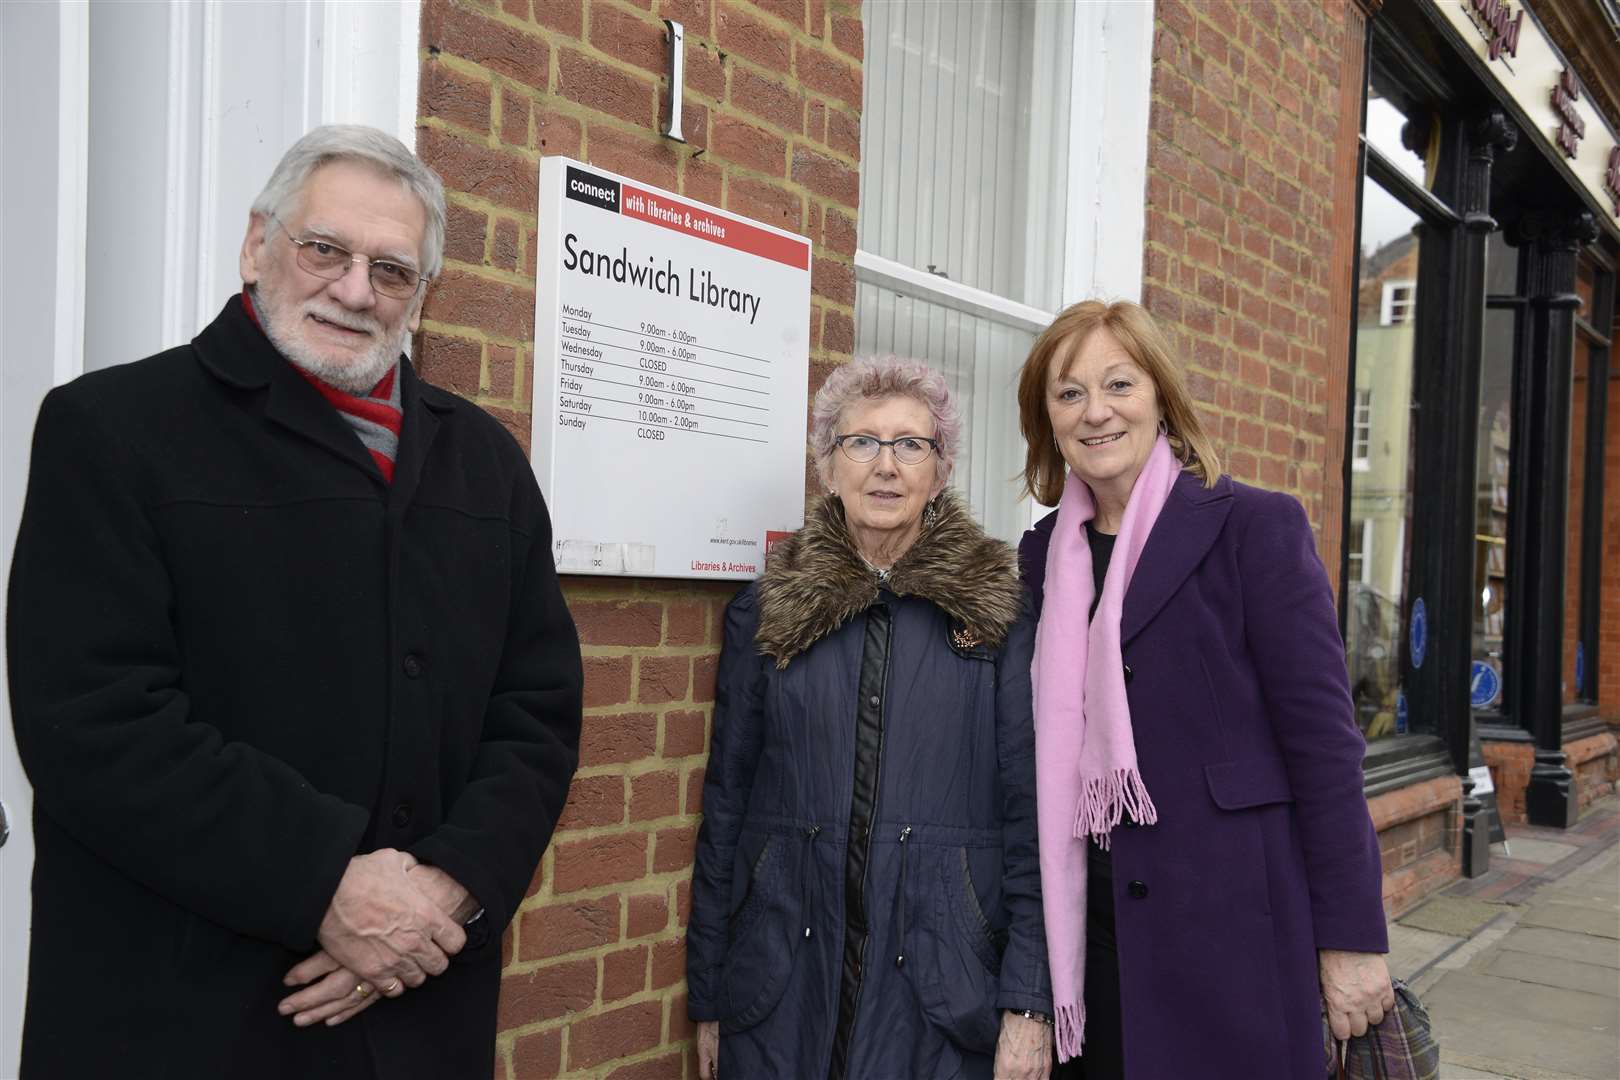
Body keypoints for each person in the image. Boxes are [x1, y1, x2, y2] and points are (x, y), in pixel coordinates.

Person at [8, 125, 583, 1080]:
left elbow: (538, 711)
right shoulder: (112, 430)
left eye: (392, 270)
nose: (355, 290)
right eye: (326, 250)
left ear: (422, 295)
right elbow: (93, 720)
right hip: (183, 1017)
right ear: (256, 244)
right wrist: (326, 884)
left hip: (420, 1015)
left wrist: (439, 899)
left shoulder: (486, 463)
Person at [1014, 301, 1393, 1079]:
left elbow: (1324, 747)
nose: (1097, 412)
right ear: (1047, 419)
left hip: (1237, 936)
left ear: (1161, 397)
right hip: (1095, 939)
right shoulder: (1042, 556)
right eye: (1069, 393)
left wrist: (1353, 939)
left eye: (1119, 383)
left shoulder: (1254, 527)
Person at [686, 357, 1053, 1080]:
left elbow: (1032, 819)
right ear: (827, 465)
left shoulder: (999, 614)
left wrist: (1029, 1002)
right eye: (862, 442)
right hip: (781, 987)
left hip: (946, 993)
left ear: (940, 470)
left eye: (911, 444)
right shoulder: (769, 611)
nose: (886, 466)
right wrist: (709, 993)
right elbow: (725, 808)